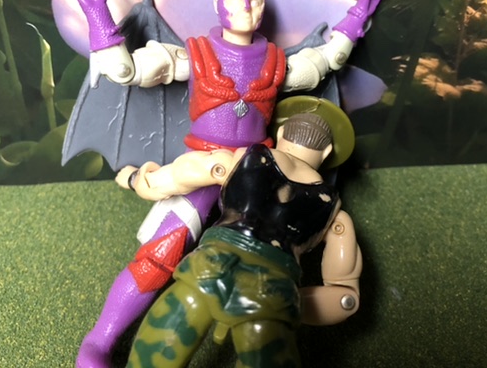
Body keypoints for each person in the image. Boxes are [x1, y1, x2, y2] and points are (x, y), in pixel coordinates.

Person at [72, 0, 385, 367]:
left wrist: (355, 19)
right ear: (218, 4)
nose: (248, 11)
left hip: (256, 172)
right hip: (206, 165)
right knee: (158, 256)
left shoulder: (277, 63)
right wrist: (96, 13)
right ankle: (99, 341)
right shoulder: (196, 55)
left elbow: (325, 60)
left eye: (256, 2)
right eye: (238, 1)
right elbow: (125, 70)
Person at [123, 108, 362, 367]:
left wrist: (136, 179)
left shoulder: (243, 159)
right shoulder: (332, 210)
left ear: (281, 133)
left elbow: (181, 174)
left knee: (159, 345)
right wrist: (286, 302)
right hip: (271, 285)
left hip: (211, 264)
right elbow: (345, 298)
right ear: (327, 153)